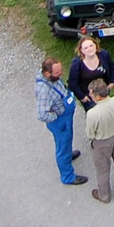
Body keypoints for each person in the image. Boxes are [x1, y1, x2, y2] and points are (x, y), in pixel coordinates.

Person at [35, 57, 89, 187]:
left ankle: (69, 155)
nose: (61, 74)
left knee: (68, 140)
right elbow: (42, 115)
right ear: (47, 74)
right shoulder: (43, 91)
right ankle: (68, 176)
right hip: (60, 121)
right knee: (62, 146)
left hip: (65, 117)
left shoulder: (51, 78)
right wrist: (56, 116)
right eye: (57, 73)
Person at [84, 79, 114, 203]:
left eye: (91, 94)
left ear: (98, 96)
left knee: (103, 170)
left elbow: (90, 133)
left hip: (102, 142)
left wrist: (92, 140)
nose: (90, 96)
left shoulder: (93, 113)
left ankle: (104, 196)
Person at [69, 36, 114, 111]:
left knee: (107, 111)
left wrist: (112, 81)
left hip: (103, 91)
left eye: (91, 45)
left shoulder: (104, 55)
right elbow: (72, 83)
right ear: (81, 50)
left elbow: (111, 67)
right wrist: (82, 97)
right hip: (88, 96)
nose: (89, 49)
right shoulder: (77, 64)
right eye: (86, 48)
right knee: (95, 114)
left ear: (95, 45)